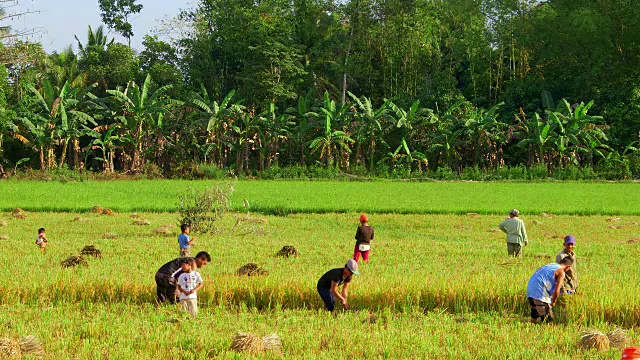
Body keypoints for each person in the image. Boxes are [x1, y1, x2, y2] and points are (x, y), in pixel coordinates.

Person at [526, 257, 573, 323]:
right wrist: (553, 301)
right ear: (568, 267)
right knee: (549, 320)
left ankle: (532, 323)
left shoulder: (550, 265)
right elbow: (557, 290)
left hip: (530, 290)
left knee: (536, 313)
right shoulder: (561, 272)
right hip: (539, 293)